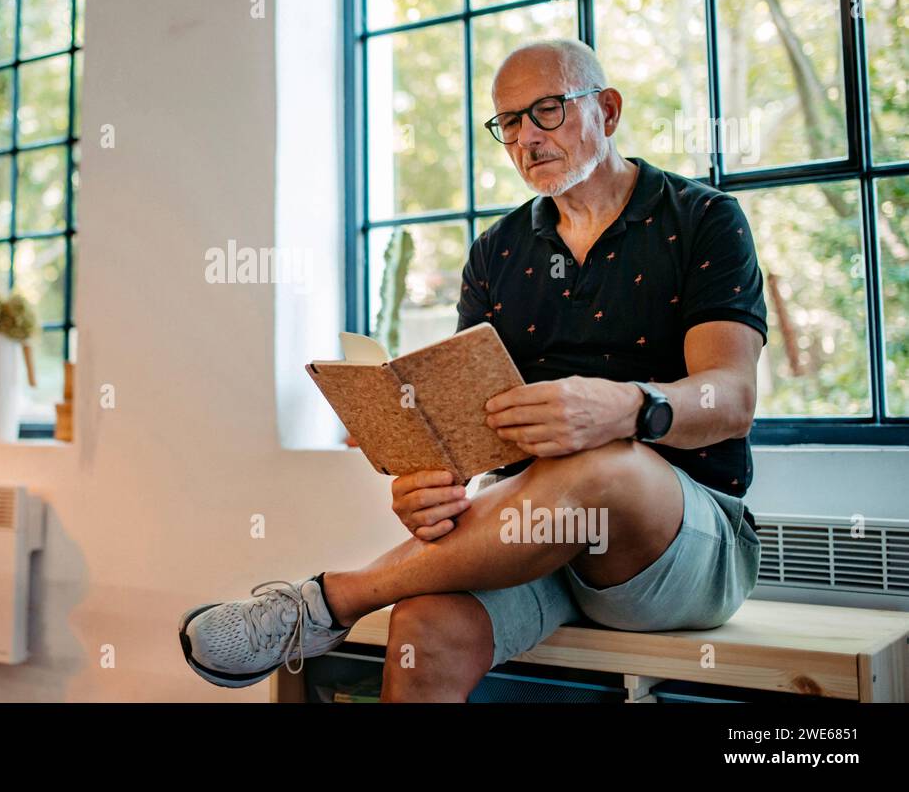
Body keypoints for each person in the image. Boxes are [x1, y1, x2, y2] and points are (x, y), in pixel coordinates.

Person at [178, 38, 766, 701]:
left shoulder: (705, 219)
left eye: (547, 111)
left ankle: (327, 603)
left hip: (682, 544)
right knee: (423, 625)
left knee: (599, 460)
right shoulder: (497, 252)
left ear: (607, 109)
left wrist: (628, 407)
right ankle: (331, 607)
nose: (526, 140)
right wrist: (429, 487)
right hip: (536, 539)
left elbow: (733, 397)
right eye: (509, 123)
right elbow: (463, 435)